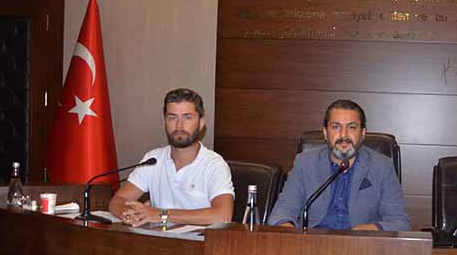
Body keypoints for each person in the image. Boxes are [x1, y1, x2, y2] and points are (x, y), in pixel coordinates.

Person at [267, 99, 410, 231]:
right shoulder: (305, 162)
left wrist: (370, 230)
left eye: (352, 127)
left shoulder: (382, 166)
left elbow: (400, 222)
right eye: (336, 127)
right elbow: (281, 212)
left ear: (363, 133)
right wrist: (290, 234)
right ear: (325, 133)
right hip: (314, 241)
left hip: (361, 244)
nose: (343, 135)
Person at [109, 88, 234, 226]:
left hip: (200, 239)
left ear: (201, 123)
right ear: (165, 121)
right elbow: (118, 200)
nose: (179, 126)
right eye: (172, 118)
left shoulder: (214, 165)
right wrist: (130, 214)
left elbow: (223, 215)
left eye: (187, 117)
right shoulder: (153, 159)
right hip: (158, 237)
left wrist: (162, 214)